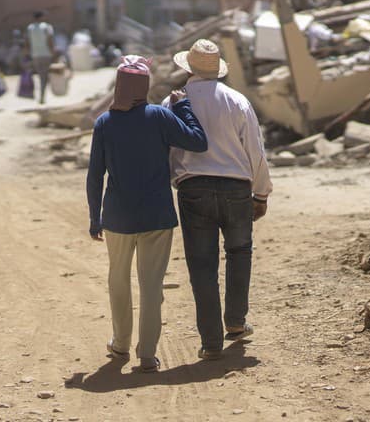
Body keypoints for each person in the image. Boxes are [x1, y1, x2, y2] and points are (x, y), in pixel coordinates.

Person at [86, 56, 208, 373]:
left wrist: (93, 217)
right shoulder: (158, 116)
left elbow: (95, 175)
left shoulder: (104, 123)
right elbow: (198, 141)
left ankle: (120, 344)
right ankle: (148, 354)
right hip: (157, 216)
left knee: (118, 281)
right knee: (152, 286)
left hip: (116, 217)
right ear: (145, 86)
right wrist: (182, 108)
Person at [164, 39, 272, 361]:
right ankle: (236, 323)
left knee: (202, 265)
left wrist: (177, 179)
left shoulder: (173, 103)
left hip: (193, 188)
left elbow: (167, 150)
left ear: (188, 67)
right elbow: (255, 150)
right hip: (237, 188)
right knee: (240, 254)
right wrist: (261, 192)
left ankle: (211, 342)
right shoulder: (236, 100)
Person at [27, 12, 55, 104]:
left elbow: (27, 42)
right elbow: (50, 40)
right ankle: (42, 96)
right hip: (46, 54)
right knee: (44, 76)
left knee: (40, 75)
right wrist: (53, 52)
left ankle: (40, 94)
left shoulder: (30, 28)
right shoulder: (47, 27)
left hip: (35, 55)